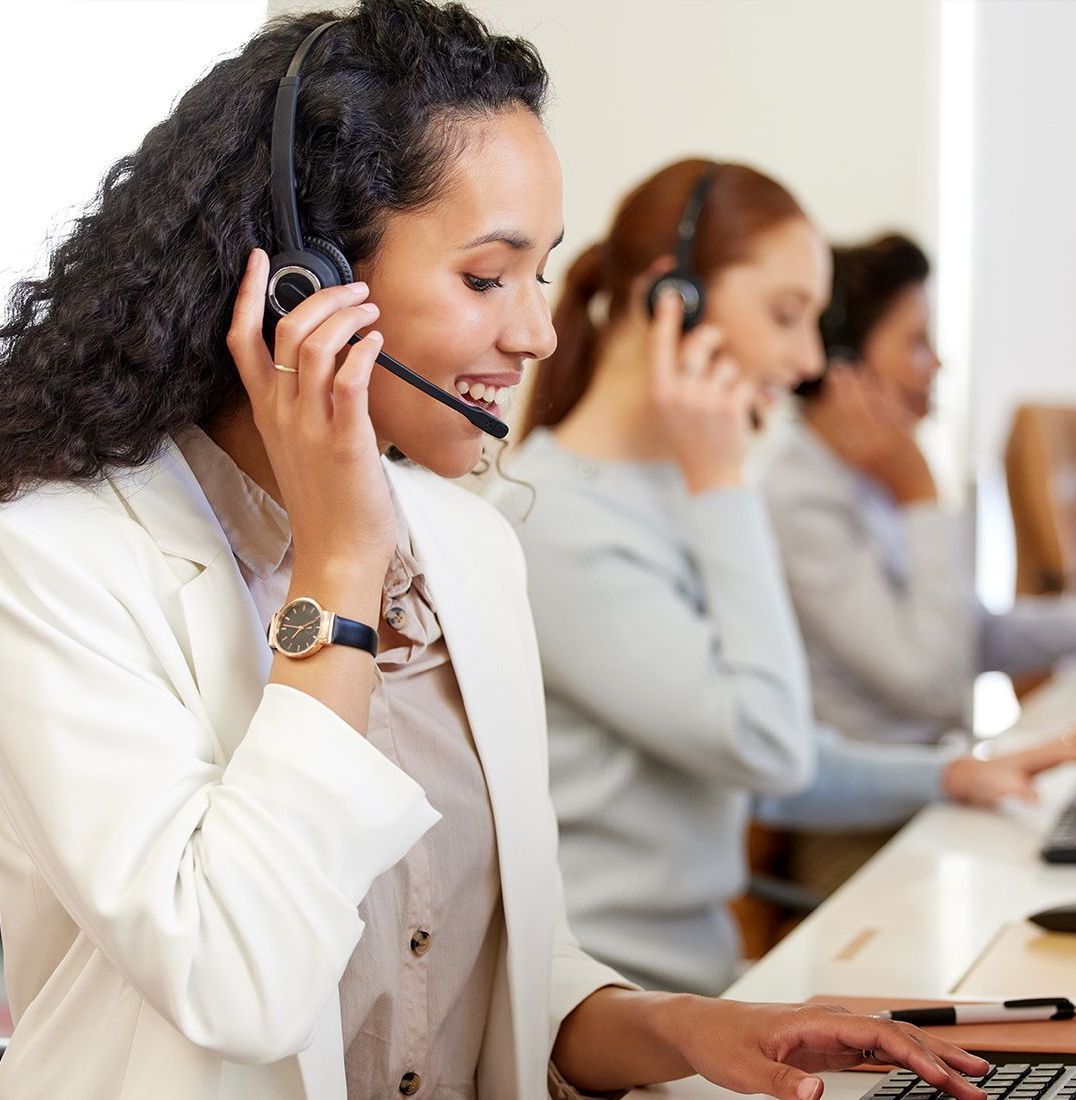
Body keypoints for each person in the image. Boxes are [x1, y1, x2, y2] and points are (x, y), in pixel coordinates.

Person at [0, 7, 998, 1100]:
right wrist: (339, 569)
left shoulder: (467, 545)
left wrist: (678, 1027)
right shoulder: (58, 563)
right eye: (486, 279)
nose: (538, 334)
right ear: (303, 281)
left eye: (542, 275)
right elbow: (241, 980)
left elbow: (475, 962)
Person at [496, 160, 1076, 997]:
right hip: (614, 1011)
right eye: (786, 315)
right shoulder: (555, 522)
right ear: (675, 301)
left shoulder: (676, 495)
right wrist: (723, 483)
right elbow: (766, 746)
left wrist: (949, 775)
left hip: (702, 986)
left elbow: (761, 758)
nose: (809, 357)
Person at [765, 233, 1076, 747]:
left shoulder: (869, 478)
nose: (937, 365)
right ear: (844, 364)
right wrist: (922, 497)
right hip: (873, 818)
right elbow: (935, 686)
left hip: (937, 779)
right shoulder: (799, 502)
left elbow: (969, 634)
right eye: (917, 342)